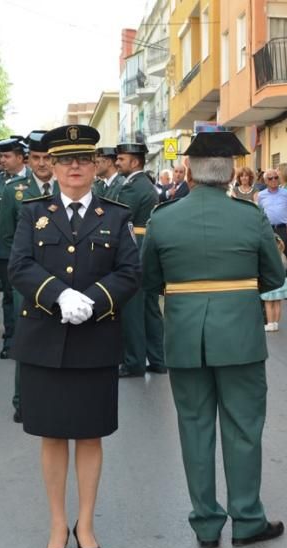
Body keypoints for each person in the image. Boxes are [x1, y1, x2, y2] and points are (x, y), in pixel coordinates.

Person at [141, 131, 286, 548]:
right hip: (239, 336)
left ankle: (206, 524)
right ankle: (246, 519)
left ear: (187, 171)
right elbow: (274, 278)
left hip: (185, 336)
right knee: (243, 428)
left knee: (194, 428)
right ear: (230, 176)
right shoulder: (249, 216)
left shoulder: (163, 217)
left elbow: (150, 280)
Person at [9, 124, 140, 548]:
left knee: (89, 435)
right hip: (44, 339)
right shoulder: (32, 212)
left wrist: (95, 300)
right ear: (54, 166)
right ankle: (56, 523)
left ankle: (85, 524)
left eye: (83, 159)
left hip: (95, 338)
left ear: (96, 164)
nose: (74, 167)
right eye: (65, 160)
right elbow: (20, 266)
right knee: (51, 436)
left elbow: (129, 272)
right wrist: (57, 295)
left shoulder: (116, 215)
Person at [0, 131, 58, 420]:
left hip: (62, 276)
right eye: (36, 158)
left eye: (47, 158)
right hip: (28, 278)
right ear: (28, 159)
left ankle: (56, 395)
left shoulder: (68, 189)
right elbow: (6, 237)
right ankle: (22, 400)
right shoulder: (14, 192)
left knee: (61, 336)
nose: (42, 164)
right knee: (27, 338)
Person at [113, 141, 165, 377]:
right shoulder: (144, 184)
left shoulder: (133, 187)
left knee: (134, 310)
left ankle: (134, 362)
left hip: (135, 249)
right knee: (150, 309)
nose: (117, 162)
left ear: (134, 162)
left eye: (121, 159)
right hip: (146, 248)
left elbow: (119, 217)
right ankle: (157, 359)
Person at [0, 136, 29, 360]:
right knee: (9, 296)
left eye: (7, 156)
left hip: (32, 250)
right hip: (5, 251)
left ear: (21, 157)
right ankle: (11, 339)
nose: (2, 160)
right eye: (1, 156)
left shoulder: (35, 180)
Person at [256, 169, 287, 290]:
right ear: (265, 181)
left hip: (284, 228)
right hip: (269, 229)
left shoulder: (285, 193)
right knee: (270, 258)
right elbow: (260, 213)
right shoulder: (261, 195)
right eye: (270, 178)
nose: (273, 180)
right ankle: (272, 286)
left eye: (275, 177)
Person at [261, 233, 287, 331]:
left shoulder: (269, 257)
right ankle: (275, 323)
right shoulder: (281, 255)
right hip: (281, 282)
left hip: (271, 283)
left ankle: (270, 323)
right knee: (277, 303)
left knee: (268, 303)